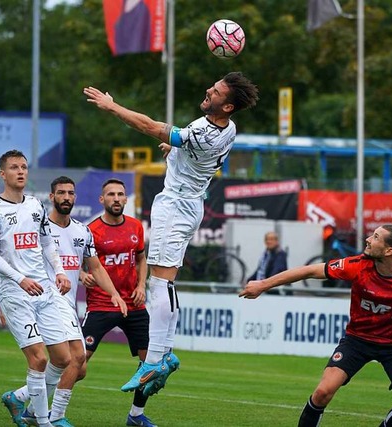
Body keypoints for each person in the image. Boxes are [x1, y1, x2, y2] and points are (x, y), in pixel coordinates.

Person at [84, 71, 259, 397]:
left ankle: (154, 359)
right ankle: (164, 354)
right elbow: (195, 149)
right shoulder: (228, 128)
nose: (209, 90)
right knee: (165, 281)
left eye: (217, 91)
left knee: (158, 283)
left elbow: (150, 126)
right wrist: (178, 150)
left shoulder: (201, 131)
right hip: (189, 204)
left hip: (176, 207)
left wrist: (112, 106)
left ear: (229, 106)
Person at [239, 224, 392, 427]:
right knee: (323, 392)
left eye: (375, 237)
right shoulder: (357, 265)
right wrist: (264, 284)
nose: (368, 239)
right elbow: (311, 270)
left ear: (388, 250)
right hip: (358, 340)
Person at [0, 176, 128, 427]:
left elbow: (96, 267)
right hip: (45, 300)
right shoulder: (37, 228)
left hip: (68, 302)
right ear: (52, 197)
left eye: (70, 193)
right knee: (76, 357)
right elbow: (14, 262)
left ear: (75, 198)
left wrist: (114, 293)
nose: (66, 197)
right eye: (61, 193)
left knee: (76, 367)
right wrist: (6, 302)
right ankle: (54, 417)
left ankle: (21, 399)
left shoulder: (82, 231)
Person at [0, 150, 72, 427]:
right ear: (2, 174)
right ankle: (43, 422)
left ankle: (19, 398)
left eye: (24, 167)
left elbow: (46, 242)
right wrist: (20, 279)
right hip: (16, 292)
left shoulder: (34, 205)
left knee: (63, 358)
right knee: (39, 358)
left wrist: (59, 271)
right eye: (14, 167)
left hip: (43, 290)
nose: (20, 171)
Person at [80, 178, 157, 426]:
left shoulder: (136, 227)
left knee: (151, 364)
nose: (116, 198)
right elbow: (78, 264)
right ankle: (42, 407)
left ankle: (136, 415)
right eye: (110, 194)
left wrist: (141, 284)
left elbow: (141, 258)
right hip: (102, 303)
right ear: (102, 200)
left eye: (120, 194)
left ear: (126, 199)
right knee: (77, 362)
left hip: (134, 304)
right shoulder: (91, 231)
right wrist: (82, 276)